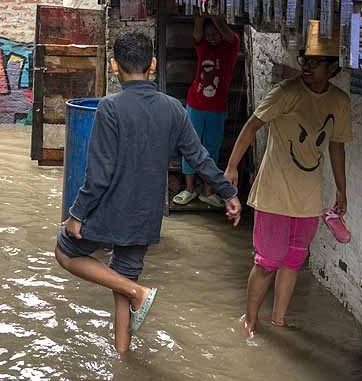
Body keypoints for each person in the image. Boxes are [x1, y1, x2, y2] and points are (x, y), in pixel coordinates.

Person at [56, 32, 243, 354]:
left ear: (115, 67)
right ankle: (122, 354)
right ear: (153, 64)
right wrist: (228, 193)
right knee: (119, 283)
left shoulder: (110, 108)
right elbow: (198, 157)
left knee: (65, 252)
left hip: (110, 209)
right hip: (145, 214)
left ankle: (138, 291)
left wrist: (76, 215)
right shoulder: (173, 108)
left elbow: (98, 174)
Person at [224, 26, 351, 336]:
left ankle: (279, 320)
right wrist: (231, 168)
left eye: (316, 61)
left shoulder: (339, 101)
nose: (307, 66)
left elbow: (336, 145)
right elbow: (252, 126)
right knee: (268, 262)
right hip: (274, 193)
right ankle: (250, 320)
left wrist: (342, 189)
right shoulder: (286, 92)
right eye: (305, 59)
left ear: (333, 68)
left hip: (308, 198)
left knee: (293, 261)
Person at [172, 11, 239, 209]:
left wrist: (215, 16)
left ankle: (208, 191)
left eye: (214, 33)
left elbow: (227, 34)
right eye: (208, 34)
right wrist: (201, 15)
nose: (210, 37)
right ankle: (190, 189)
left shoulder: (231, 47)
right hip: (195, 104)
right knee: (189, 146)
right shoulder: (202, 47)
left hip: (217, 108)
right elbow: (198, 33)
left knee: (212, 149)